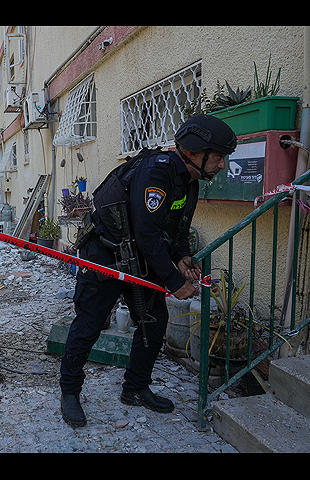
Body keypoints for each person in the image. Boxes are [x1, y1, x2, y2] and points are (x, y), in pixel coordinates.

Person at [59, 114, 237, 427]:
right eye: (218, 157)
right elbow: (147, 233)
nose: (221, 165)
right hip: (104, 252)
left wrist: (181, 256)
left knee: (154, 324)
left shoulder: (188, 182)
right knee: (90, 323)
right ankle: (70, 393)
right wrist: (173, 282)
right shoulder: (157, 172)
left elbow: (177, 228)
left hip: (140, 256)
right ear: (195, 152)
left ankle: (136, 388)